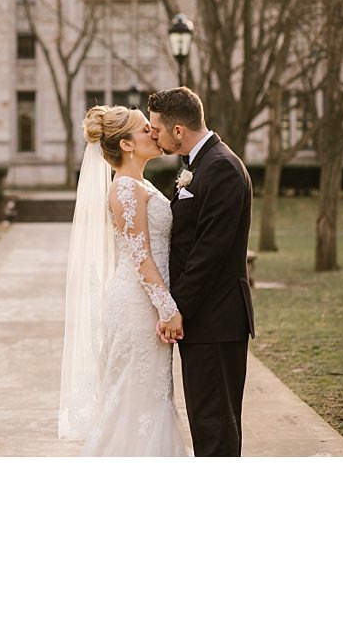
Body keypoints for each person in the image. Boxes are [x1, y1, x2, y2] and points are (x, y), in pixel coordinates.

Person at [58, 105, 189, 456]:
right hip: (137, 307)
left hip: (146, 302)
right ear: (128, 145)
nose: (154, 133)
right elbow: (141, 257)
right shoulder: (126, 189)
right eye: (146, 129)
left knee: (149, 397)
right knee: (135, 399)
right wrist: (167, 309)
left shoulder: (139, 184)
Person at [147, 87, 255, 457]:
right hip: (206, 322)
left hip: (216, 320)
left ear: (178, 130)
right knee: (208, 423)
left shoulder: (220, 167)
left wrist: (178, 309)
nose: (153, 137)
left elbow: (211, 252)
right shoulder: (199, 164)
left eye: (156, 129)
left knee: (216, 428)